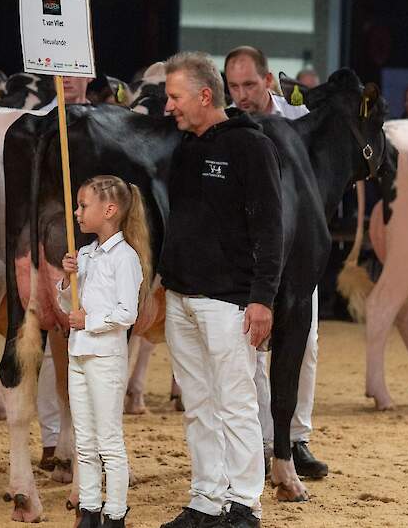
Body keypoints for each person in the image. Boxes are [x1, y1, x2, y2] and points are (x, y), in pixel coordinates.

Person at [158, 51, 281, 528]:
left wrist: (262, 298)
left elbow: (272, 229)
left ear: (205, 96)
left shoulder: (252, 147)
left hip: (230, 300)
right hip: (181, 297)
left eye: (175, 96)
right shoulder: (185, 147)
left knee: (235, 403)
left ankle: (245, 503)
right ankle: (206, 499)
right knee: (198, 404)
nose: (169, 106)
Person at [224, 45, 328, 480]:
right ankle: (267, 441)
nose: (242, 94)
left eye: (249, 84)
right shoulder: (229, 127)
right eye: (233, 86)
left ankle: (296, 438)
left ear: (269, 81)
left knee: (305, 346)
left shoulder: (300, 122)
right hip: (250, 254)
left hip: (300, 250)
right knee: (254, 348)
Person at [58, 175, 148, 528]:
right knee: (85, 440)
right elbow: (67, 303)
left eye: (83, 206)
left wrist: (89, 320)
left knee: (109, 441)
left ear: (109, 210)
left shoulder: (125, 258)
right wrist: (67, 282)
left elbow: (127, 313)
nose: (77, 213)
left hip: (105, 357)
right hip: (79, 353)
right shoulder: (85, 254)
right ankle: (90, 509)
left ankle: (115, 513)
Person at [37, 75, 94, 470]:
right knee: (52, 344)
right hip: (50, 245)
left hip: (95, 248)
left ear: (88, 75)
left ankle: (78, 440)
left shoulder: (104, 124)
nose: (67, 81)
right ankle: (54, 437)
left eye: (74, 73)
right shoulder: (38, 123)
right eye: (60, 74)